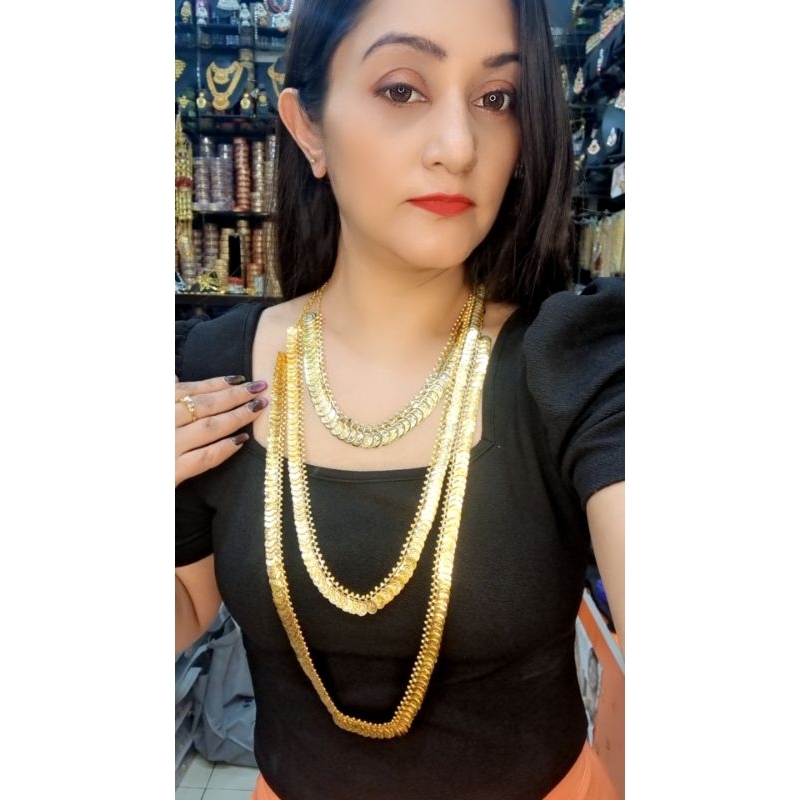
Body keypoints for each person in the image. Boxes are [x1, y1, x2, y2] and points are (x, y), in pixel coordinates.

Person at [175, 0, 625, 798]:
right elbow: (182, 610)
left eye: (497, 99)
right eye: (401, 89)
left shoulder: (573, 366)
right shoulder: (221, 373)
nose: (459, 146)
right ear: (308, 129)